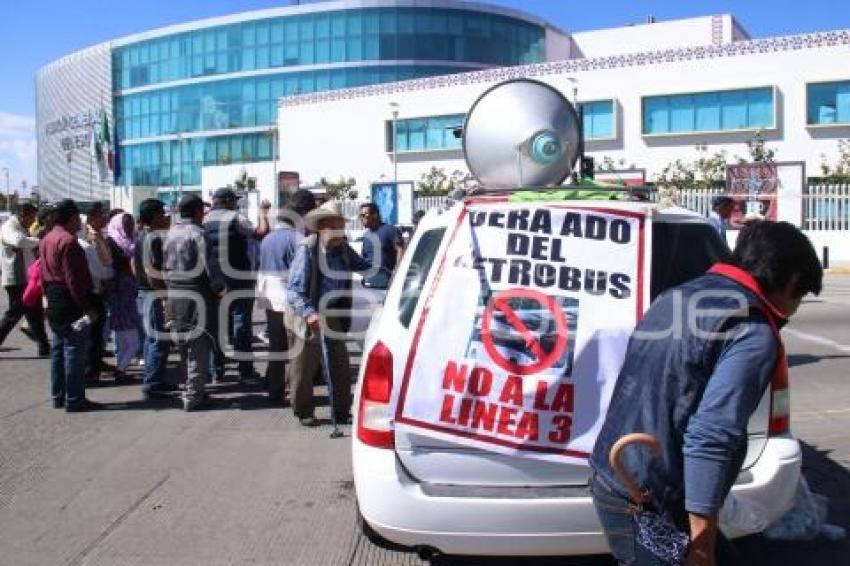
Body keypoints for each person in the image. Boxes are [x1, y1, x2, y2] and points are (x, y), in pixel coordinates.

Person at [589, 221, 823, 566]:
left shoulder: (678, 295)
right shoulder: (751, 332)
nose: (795, 308)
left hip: (618, 475)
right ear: (789, 282)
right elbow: (711, 436)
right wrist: (701, 544)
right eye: (799, 296)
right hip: (646, 495)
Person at [287, 200, 371, 426]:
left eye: (341, 226)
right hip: (307, 312)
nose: (340, 231)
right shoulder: (308, 248)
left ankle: (341, 411)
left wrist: (391, 270)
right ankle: (303, 411)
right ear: (322, 226)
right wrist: (309, 313)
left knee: (339, 364)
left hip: (333, 313)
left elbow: (363, 265)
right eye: (335, 226)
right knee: (304, 368)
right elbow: (294, 290)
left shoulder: (342, 247)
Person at [164, 194, 226, 411]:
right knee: (198, 348)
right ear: (198, 211)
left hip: (174, 295)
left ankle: (191, 390)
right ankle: (193, 396)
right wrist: (220, 289)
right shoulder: (199, 234)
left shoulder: (170, 232)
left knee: (183, 347)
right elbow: (210, 267)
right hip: (197, 295)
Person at [203, 188, 270, 385]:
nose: (236, 203)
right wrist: (263, 213)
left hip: (214, 280)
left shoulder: (205, 220)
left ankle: (216, 371)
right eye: (234, 200)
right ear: (227, 201)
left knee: (217, 325)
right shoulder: (235, 218)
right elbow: (260, 233)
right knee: (241, 323)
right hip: (239, 276)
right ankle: (245, 371)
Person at [257, 189, 316, 406]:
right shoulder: (298, 239)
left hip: (268, 297)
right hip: (289, 300)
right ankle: (294, 392)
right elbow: (302, 275)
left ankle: (274, 391)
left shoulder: (268, 238)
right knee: (295, 348)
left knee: (276, 347)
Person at [40, 199, 99, 412]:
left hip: (54, 298)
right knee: (74, 350)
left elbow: (41, 276)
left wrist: (46, 301)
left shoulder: (47, 239)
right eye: (78, 219)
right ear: (72, 218)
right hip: (70, 300)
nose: (80, 223)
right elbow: (73, 280)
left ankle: (58, 396)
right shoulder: (68, 241)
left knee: (57, 350)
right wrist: (87, 308)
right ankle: (74, 399)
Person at [133, 198, 176, 400]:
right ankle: (152, 383)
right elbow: (152, 271)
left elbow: (134, 264)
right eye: (162, 213)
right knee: (159, 339)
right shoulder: (152, 238)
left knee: (154, 339)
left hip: (145, 293)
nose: (166, 216)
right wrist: (163, 297)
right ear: (155, 216)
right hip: (152, 294)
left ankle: (154, 380)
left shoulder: (142, 235)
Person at [0, 203, 49, 356]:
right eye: (31, 218)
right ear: (23, 215)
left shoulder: (20, 226)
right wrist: (40, 241)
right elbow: (19, 241)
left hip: (27, 277)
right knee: (14, 313)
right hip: (16, 278)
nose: (33, 221)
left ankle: (44, 347)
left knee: (35, 313)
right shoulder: (9, 227)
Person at [77, 202, 114, 382]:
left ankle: (94, 365)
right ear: (90, 219)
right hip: (90, 291)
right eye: (100, 215)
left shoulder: (94, 237)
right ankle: (91, 371)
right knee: (92, 333)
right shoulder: (85, 242)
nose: (104, 219)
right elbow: (104, 269)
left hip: (95, 290)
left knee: (95, 333)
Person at [105, 212, 140, 383]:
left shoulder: (133, 241)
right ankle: (120, 369)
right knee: (132, 342)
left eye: (131, 223)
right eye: (126, 224)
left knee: (125, 338)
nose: (129, 227)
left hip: (128, 293)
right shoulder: (111, 243)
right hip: (120, 294)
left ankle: (121, 368)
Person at [359, 202, 404, 274]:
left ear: (375, 215)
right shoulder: (366, 236)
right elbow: (364, 257)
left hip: (388, 280)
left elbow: (400, 250)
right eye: (360, 216)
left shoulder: (390, 230)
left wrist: (397, 271)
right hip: (370, 281)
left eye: (364, 215)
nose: (361, 218)